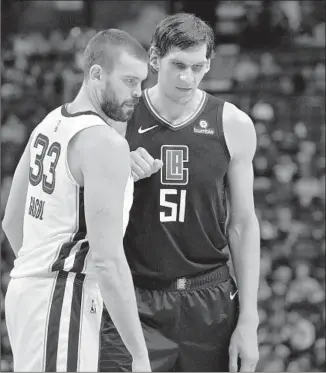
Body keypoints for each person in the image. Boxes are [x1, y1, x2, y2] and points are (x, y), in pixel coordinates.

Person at [100, 13, 260, 372]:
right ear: (154, 59)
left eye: (198, 66)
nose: (188, 77)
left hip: (210, 299)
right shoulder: (117, 120)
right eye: (178, 66)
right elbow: (80, 198)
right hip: (135, 297)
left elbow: (244, 225)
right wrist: (116, 166)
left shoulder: (233, 124)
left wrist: (249, 320)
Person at [3, 29, 151, 372]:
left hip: (30, 292)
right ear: (96, 74)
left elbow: (12, 220)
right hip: (61, 295)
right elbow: (107, 260)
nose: (138, 93)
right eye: (129, 80)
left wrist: (41, 273)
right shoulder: (104, 143)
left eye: (142, 82)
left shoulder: (49, 122)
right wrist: (140, 355)